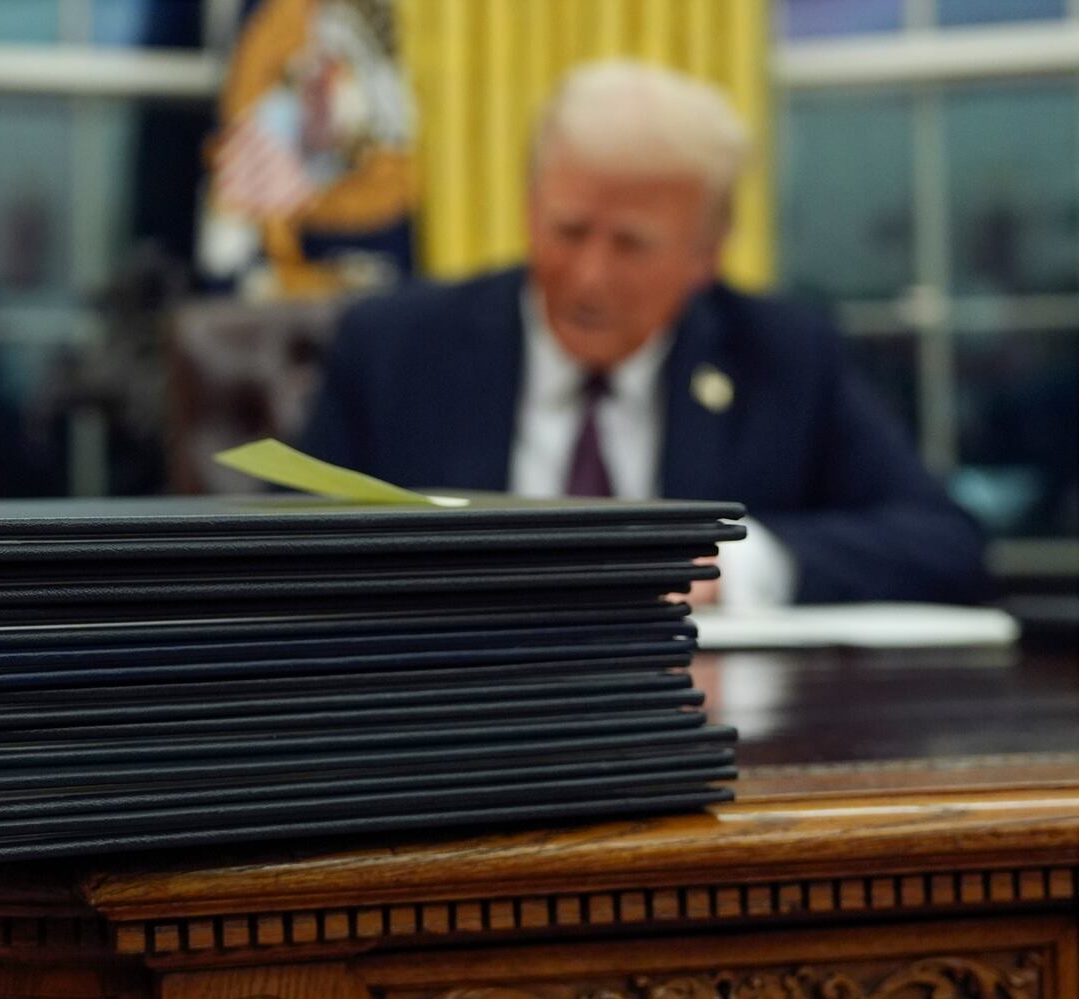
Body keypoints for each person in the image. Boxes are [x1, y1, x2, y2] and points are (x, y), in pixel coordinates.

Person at [301, 60, 992, 605]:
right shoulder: (397, 346)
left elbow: (944, 543)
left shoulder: (782, 354)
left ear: (706, 254)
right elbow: (283, 552)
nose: (590, 276)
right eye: (568, 230)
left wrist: (742, 564)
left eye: (632, 245)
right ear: (530, 206)